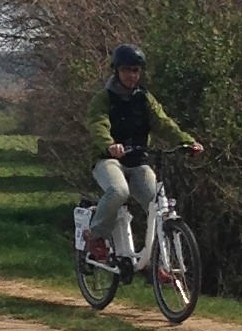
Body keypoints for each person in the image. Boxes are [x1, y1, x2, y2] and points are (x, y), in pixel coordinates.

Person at [83, 43, 201, 264]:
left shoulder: (145, 98)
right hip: (107, 159)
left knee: (159, 206)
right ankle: (95, 236)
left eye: (136, 70)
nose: (131, 75)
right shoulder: (103, 98)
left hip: (137, 159)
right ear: (116, 71)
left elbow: (163, 123)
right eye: (126, 70)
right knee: (119, 191)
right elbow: (98, 124)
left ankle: (161, 262)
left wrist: (187, 142)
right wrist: (109, 144)